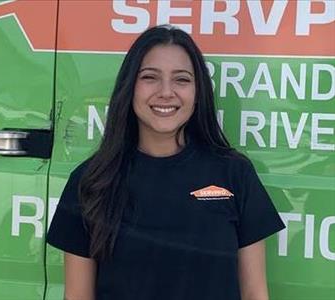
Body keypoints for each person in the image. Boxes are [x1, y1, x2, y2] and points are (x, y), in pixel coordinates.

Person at [47, 24, 285, 300]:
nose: (166, 92)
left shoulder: (235, 174)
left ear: (198, 93)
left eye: (181, 79)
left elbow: (255, 293)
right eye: (150, 77)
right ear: (130, 87)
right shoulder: (91, 181)